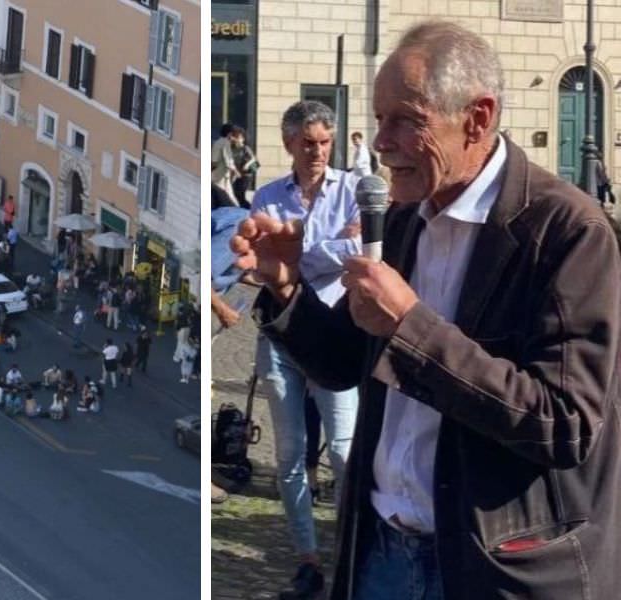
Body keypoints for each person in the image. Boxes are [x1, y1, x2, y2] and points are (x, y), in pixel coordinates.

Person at [233, 20, 621, 600]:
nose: (381, 142)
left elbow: (563, 423)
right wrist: (286, 290)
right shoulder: (408, 218)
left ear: (478, 118)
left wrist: (410, 326)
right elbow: (346, 361)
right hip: (382, 553)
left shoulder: (569, 232)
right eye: (378, 117)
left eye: (405, 120)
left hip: (493, 569)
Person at [237, 98, 363, 598]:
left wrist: (301, 251)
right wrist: (330, 248)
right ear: (289, 143)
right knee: (290, 455)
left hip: (333, 334)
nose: (317, 151)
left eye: (324, 142)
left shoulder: (352, 189)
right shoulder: (267, 196)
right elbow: (260, 265)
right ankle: (308, 559)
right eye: (308, 143)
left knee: (346, 450)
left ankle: (350, 546)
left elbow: (361, 254)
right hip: (282, 335)